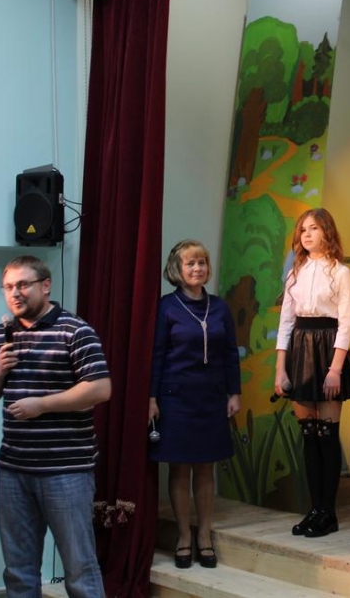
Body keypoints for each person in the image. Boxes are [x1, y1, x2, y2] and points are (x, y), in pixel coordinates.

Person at [0, 256, 111, 597]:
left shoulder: (75, 331)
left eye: (23, 285)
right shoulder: (0, 335)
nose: (15, 293)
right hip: (13, 470)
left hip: (66, 470)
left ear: (45, 285)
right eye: (8, 287)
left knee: (79, 568)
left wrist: (41, 405)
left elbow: (99, 388)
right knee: (18, 570)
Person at [148, 240, 241, 569]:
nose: (198, 268)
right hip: (176, 398)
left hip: (211, 397)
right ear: (178, 269)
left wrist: (234, 393)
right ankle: (184, 536)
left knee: (205, 467)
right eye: (190, 263)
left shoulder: (220, 307)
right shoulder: (167, 307)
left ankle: (204, 535)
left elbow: (230, 353)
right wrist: (151, 398)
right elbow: (157, 355)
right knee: (180, 468)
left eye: (202, 262)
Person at [274, 208, 350, 538]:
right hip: (300, 349)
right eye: (303, 230)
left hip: (328, 350)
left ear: (327, 231)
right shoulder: (295, 273)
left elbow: (346, 323)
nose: (307, 234)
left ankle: (328, 512)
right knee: (309, 435)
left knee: (326, 434)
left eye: (313, 228)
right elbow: (286, 322)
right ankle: (314, 509)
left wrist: (335, 369)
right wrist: (280, 370)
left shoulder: (340, 272)